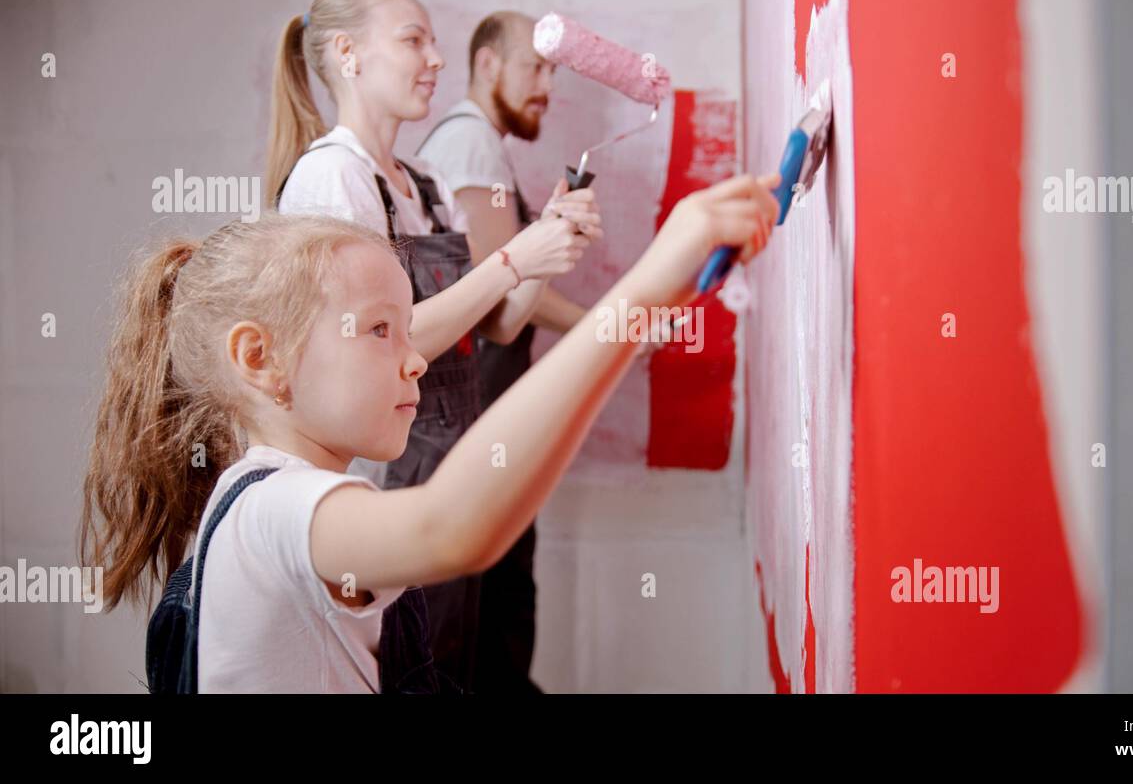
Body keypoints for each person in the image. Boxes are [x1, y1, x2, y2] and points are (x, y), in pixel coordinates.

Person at [79, 169, 780, 692]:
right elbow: (453, 527)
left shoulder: (280, 505)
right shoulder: (271, 510)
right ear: (259, 359)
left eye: (408, 328)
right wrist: (643, 288)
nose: (415, 358)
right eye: (380, 330)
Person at [265, 0, 599, 690]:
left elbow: (502, 321)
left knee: (458, 670)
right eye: (413, 39)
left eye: (433, 42)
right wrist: (515, 257)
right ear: (346, 53)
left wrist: (550, 238)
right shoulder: (332, 179)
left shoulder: (424, 185)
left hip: (452, 470)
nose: (436, 58)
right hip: (389, 483)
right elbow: (383, 343)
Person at [417, 10, 589, 692]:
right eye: (535, 67)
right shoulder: (471, 146)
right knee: (487, 579)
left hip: (483, 408)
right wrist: (602, 326)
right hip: (476, 408)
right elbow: (498, 289)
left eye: (553, 71)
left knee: (499, 574)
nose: (547, 85)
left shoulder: (478, 148)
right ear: (488, 65)